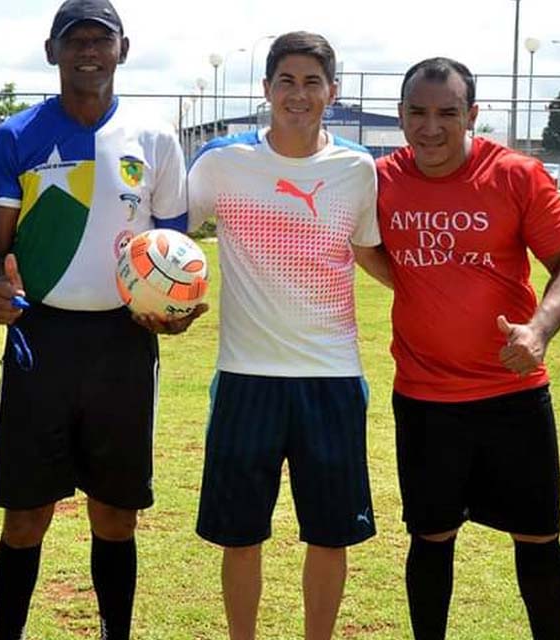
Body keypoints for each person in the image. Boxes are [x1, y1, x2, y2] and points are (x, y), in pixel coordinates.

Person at [0, 1, 204, 638]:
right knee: (26, 518)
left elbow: (174, 250)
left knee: (115, 515)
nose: (88, 51)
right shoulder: (16, 135)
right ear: (51, 51)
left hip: (123, 341)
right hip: (40, 339)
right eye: (74, 39)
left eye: (100, 40)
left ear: (122, 50)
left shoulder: (154, 138)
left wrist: (176, 309)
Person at [376, 57, 560, 640]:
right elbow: (361, 245)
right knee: (430, 536)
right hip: (424, 398)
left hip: (512, 394)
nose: (430, 128)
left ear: (471, 115)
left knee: (539, 536)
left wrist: (538, 331)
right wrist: (414, 282)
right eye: (417, 113)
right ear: (400, 115)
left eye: (447, 113)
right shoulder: (380, 180)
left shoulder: (516, 175)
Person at [188, 32, 392, 640]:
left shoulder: (357, 169)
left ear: (332, 91)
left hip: (331, 378)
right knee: (240, 534)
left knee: (331, 534)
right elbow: (168, 233)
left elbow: (368, 251)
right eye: (286, 81)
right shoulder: (222, 163)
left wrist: (437, 293)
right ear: (266, 89)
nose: (297, 95)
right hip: (245, 377)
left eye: (311, 82)